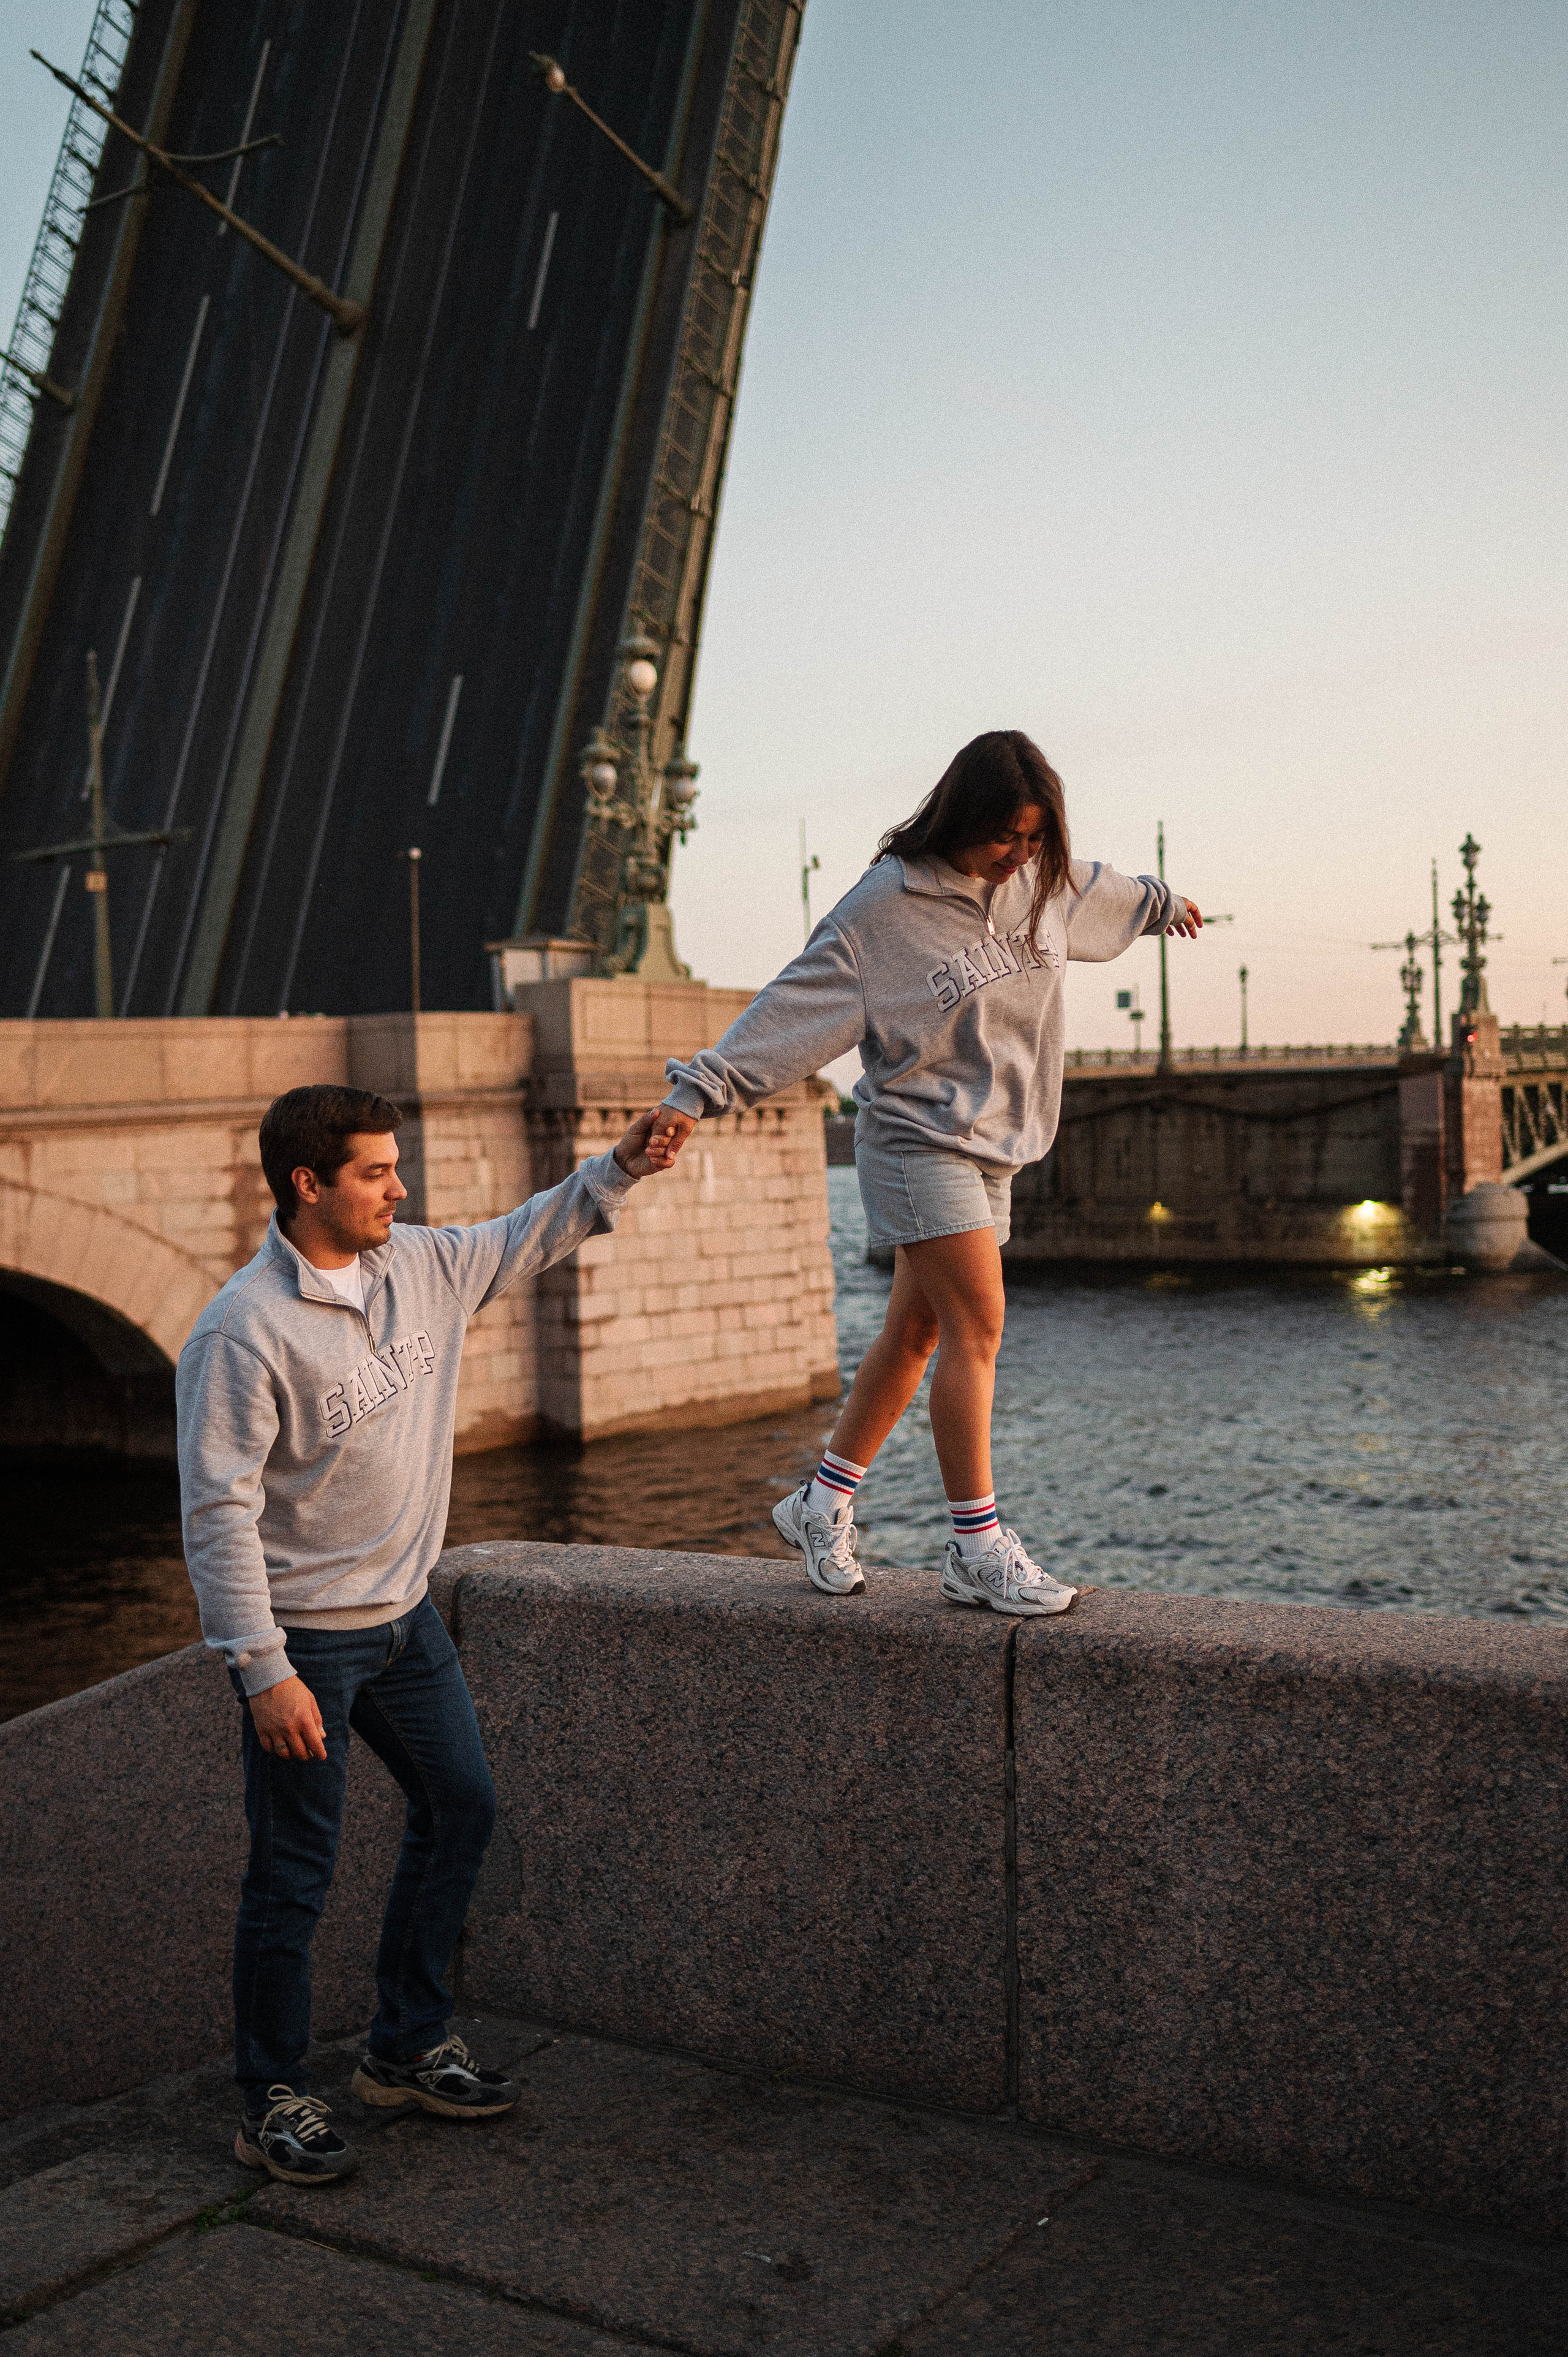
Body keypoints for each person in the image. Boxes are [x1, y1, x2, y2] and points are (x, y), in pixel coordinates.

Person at [177, 1083, 676, 2187]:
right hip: (306, 1644)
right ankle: (269, 2093)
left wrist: (623, 1164)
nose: (400, 1189)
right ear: (308, 1185)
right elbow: (218, 1511)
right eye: (374, 1172)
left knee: (463, 1807)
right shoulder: (241, 1331)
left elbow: (532, 1229)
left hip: (408, 1624)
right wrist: (263, 1671)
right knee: (293, 1876)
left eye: (397, 1168)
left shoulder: (426, 1267)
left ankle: (403, 2043)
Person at [650, 730, 1202, 1614]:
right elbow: (792, 1004)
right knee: (980, 1324)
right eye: (1003, 838)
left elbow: (1110, 889)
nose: (1017, 857)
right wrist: (696, 1091)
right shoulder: (883, 910)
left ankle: (821, 1501)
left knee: (917, 1335)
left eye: (1033, 838)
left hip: (996, 1148)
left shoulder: (1044, 882)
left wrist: (1164, 904)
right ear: (960, 818)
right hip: (915, 1142)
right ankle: (974, 1546)